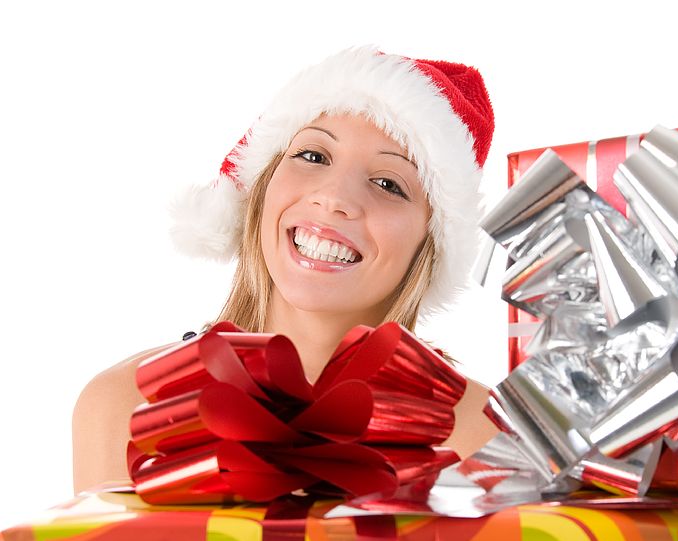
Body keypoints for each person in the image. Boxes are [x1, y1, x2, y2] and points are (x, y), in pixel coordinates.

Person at [72, 45, 501, 493]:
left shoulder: (488, 435)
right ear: (261, 188)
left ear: (428, 243)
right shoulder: (124, 407)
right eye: (313, 156)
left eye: (389, 184)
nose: (334, 197)